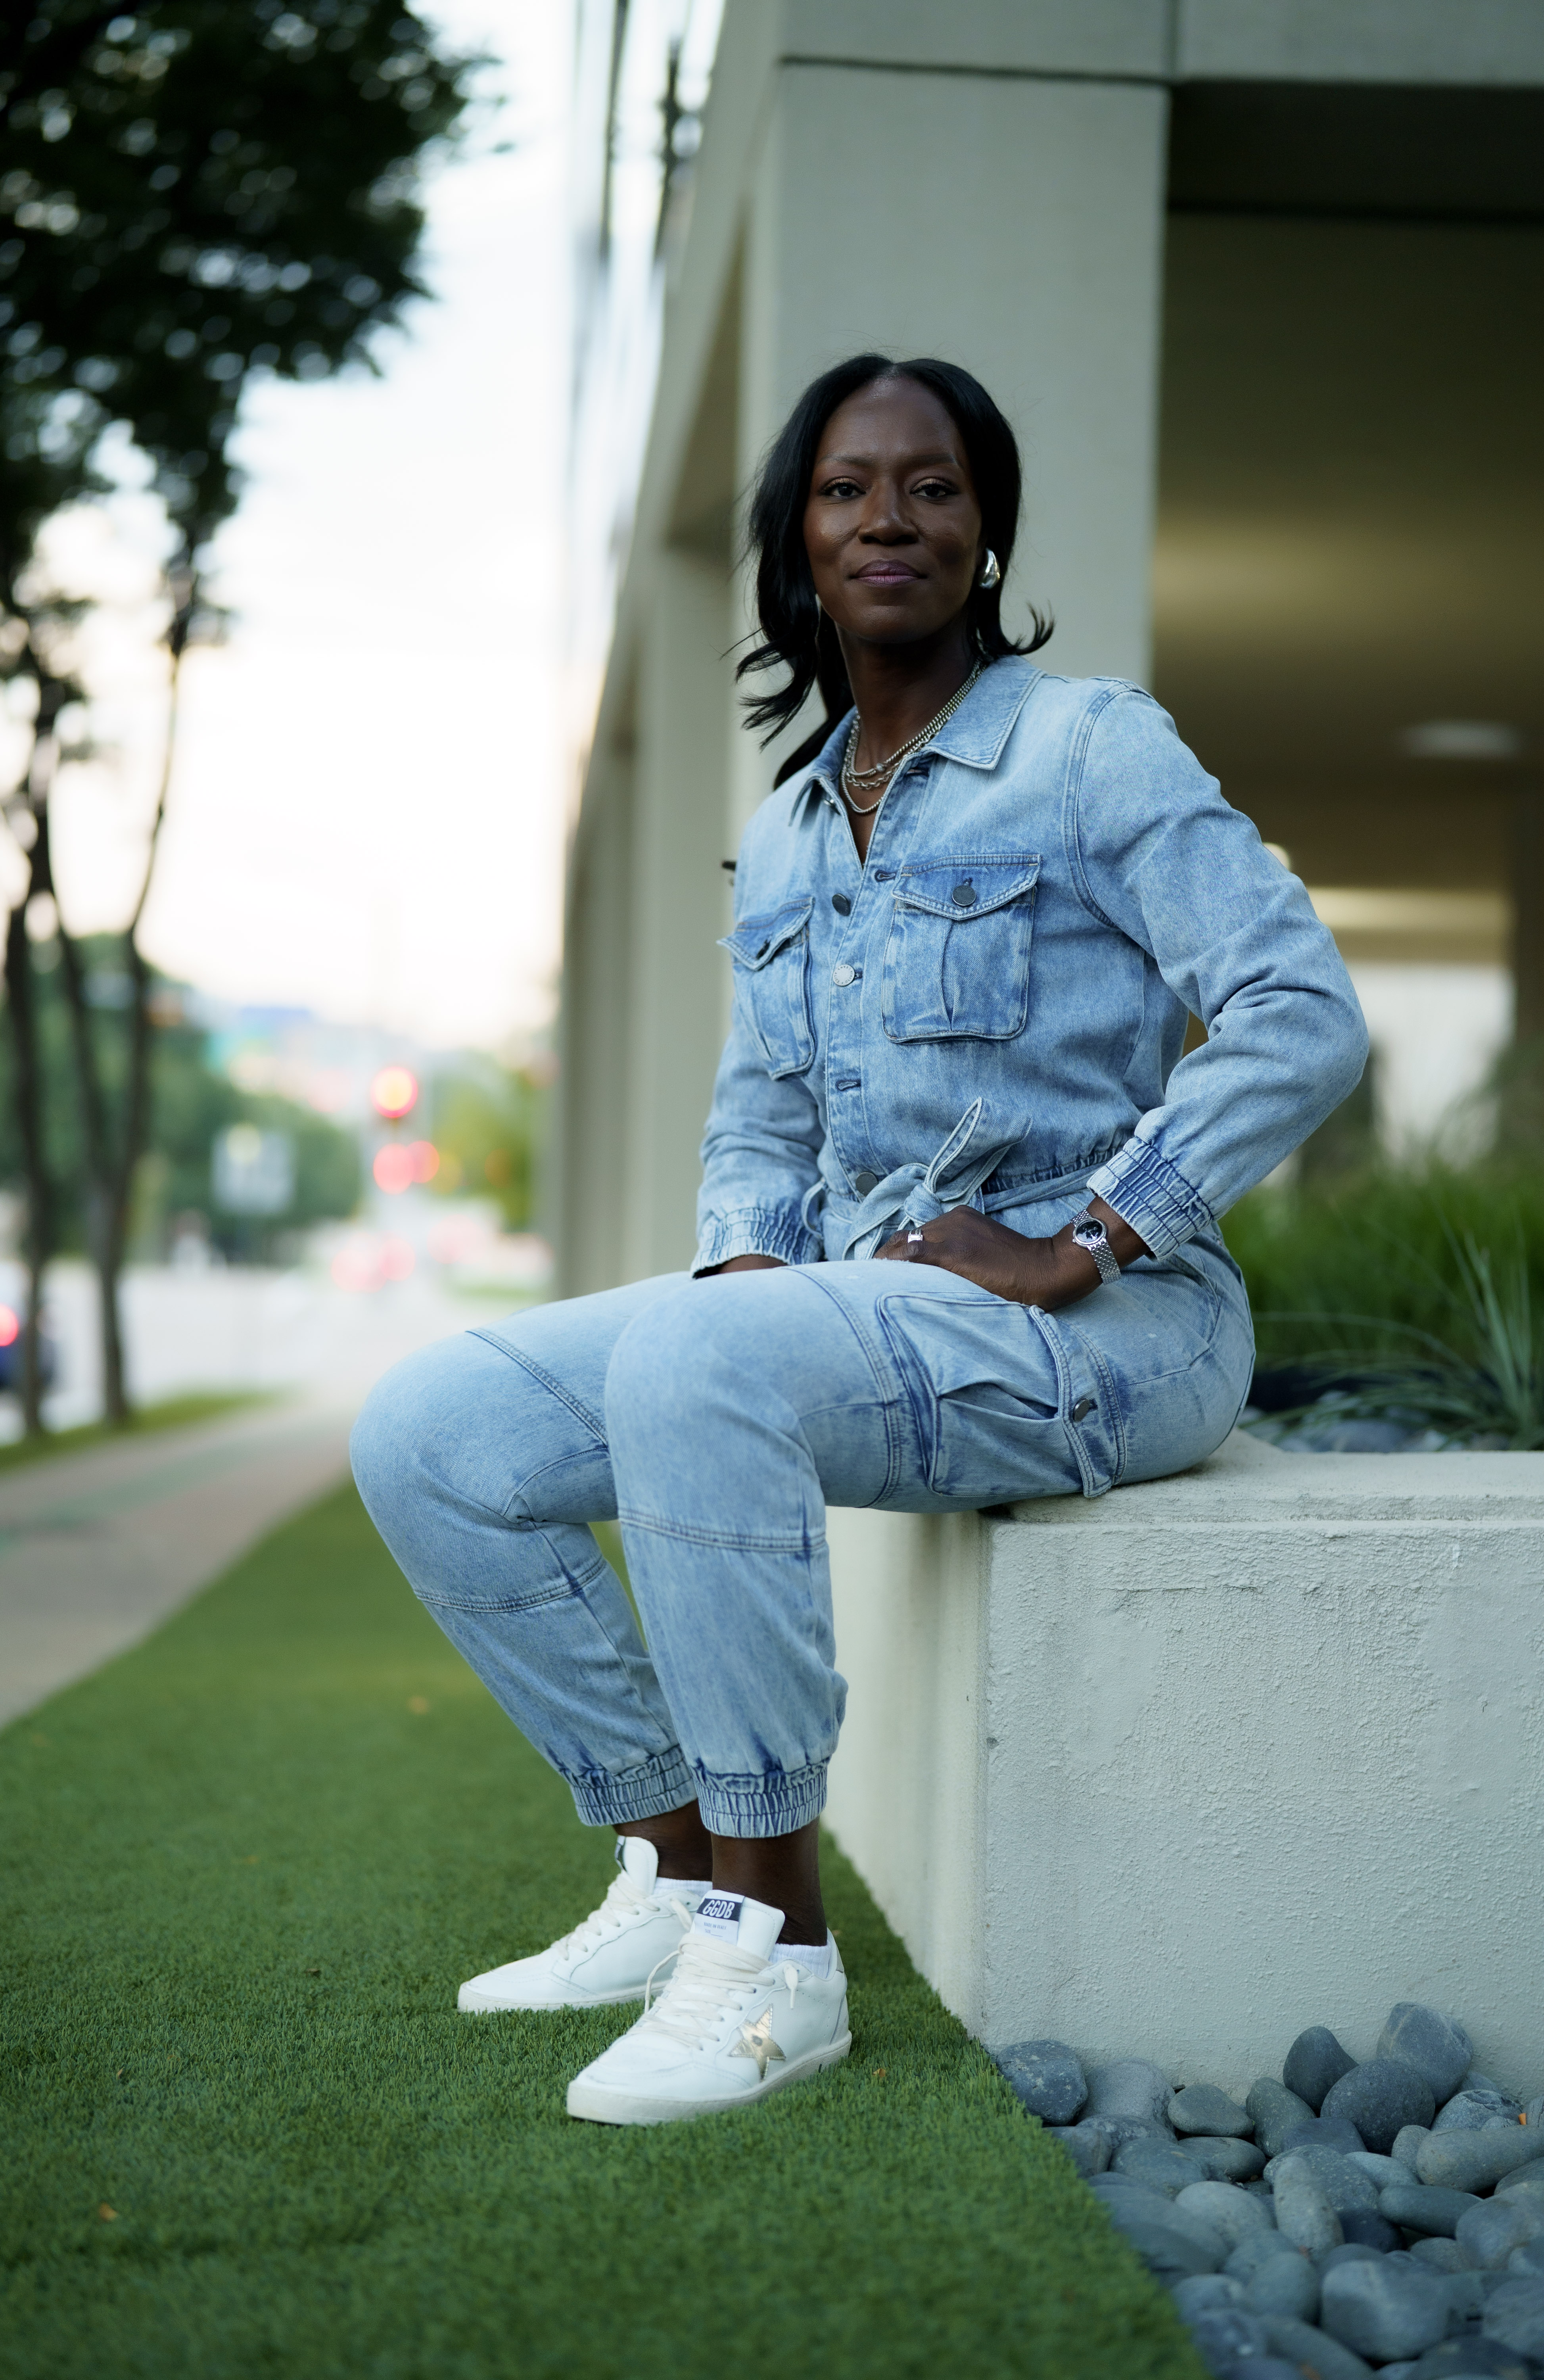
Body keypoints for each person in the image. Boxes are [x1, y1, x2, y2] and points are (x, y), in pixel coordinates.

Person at [351, 353, 1367, 2129]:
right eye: (844, 490)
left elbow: (1298, 1009)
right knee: (432, 1428)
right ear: (795, 545)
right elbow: (758, 1119)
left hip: (1118, 1334)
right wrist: (747, 1265)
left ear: (985, 537)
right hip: (864, 1310)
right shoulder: (793, 825)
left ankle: (775, 1962)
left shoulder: (1086, 746)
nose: (887, 518)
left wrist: (1095, 1232)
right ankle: (678, 1873)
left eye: (931, 488)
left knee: (693, 1349)